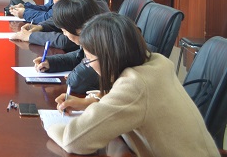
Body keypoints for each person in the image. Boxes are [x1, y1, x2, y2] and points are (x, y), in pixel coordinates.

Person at [47, 14, 219, 157]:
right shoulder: (156, 63)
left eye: (89, 59)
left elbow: (73, 141)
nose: (89, 65)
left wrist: (48, 126)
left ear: (108, 57)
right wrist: (88, 103)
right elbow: (133, 105)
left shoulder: (135, 85)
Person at [10, 0, 108, 51]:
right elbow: (59, 18)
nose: (54, 3)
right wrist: (41, 27)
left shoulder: (86, 5)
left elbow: (67, 41)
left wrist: (29, 36)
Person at [32, 0, 100, 94]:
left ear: (79, 29)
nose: (64, 34)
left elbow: (76, 83)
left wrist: (73, 75)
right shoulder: (95, 37)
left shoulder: (100, 47)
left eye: (64, 30)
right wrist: (51, 62)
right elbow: (78, 56)